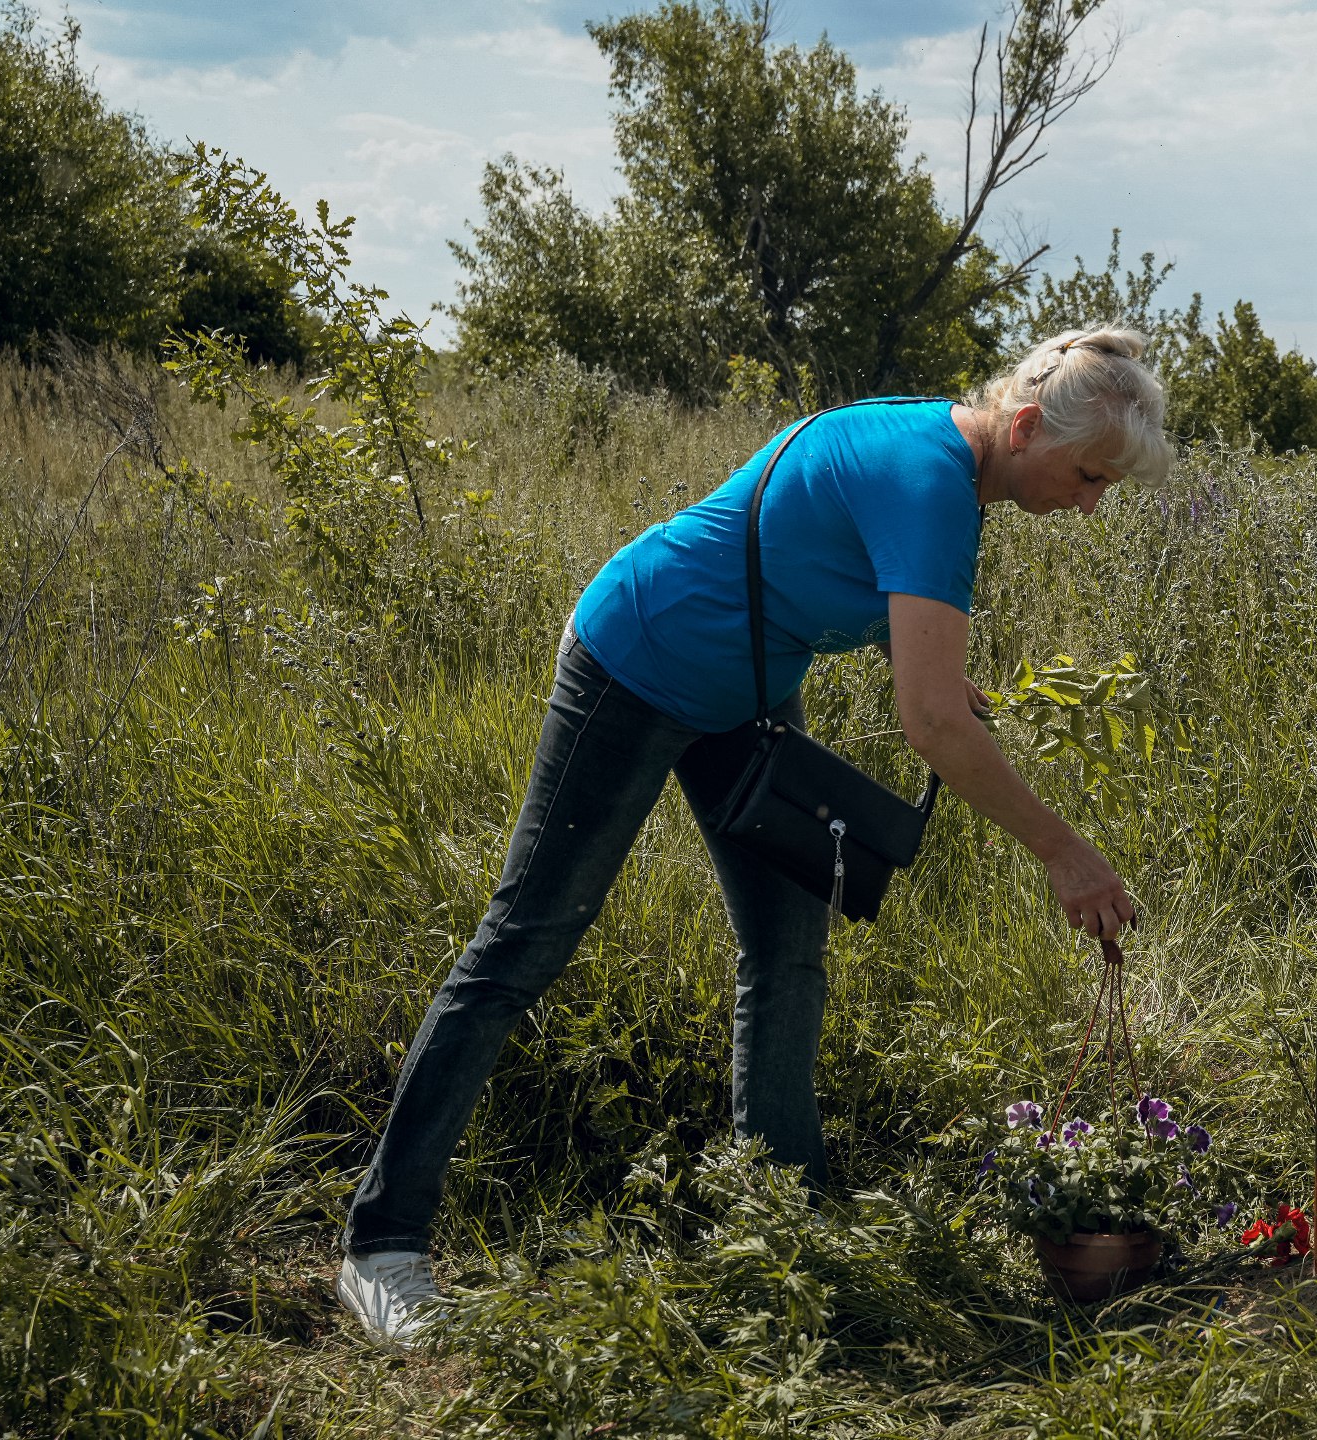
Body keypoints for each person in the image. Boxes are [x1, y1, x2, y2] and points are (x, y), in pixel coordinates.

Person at [335, 329, 1168, 1344]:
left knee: (786, 949)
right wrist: (1063, 851)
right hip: (635, 663)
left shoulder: (943, 450)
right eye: (1087, 477)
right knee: (524, 943)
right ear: (1028, 427)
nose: (1088, 505)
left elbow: (857, 588)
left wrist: (949, 686)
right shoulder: (932, 483)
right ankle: (380, 1246)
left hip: (746, 701)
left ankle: (783, 1224)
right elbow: (932, 724)